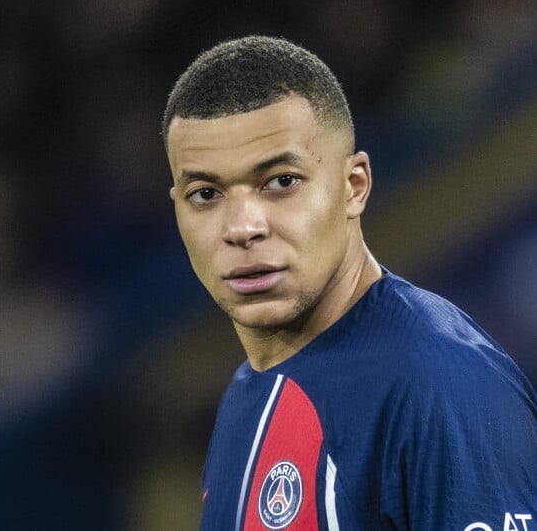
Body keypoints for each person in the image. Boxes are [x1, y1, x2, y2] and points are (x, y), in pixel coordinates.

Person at [162, 36, 536, 530]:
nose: (241, 227)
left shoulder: (437, 383)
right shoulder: (247, 391)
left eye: (281, 181)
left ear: (354, 186)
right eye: (205, 193)